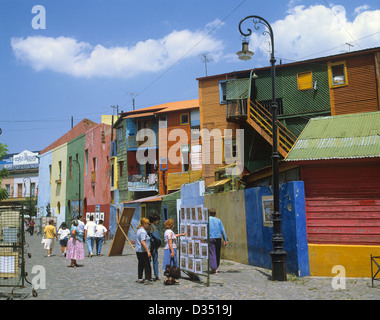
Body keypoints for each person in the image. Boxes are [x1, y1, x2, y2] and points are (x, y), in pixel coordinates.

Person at [162, 218, 185, 285]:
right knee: (172, 264)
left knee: (171, 264)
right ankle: (168, 279)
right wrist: (172, 251)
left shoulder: (167, 231)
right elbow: (170, 242)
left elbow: (173, 236)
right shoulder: (170, 232)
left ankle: (172, 278)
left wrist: (181, 234)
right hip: (170, 249)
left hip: (168, 249)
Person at [208, 208, 228, 274]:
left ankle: (214, 268)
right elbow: (222, 230)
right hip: (218, 238)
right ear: (215, 213)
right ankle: (216, 266)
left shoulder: (207, 220)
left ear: (209, 213)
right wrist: (225, 239)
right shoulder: (218, 220)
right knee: (217, 252)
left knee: (212, 253)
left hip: (210, 238)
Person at [135, 218, 152, 284]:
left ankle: (140, 278)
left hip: (138, 250)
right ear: (144, 224)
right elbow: (143, 241)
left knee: (140, 264)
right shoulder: (143, 232)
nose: (148, 225)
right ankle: (147, 279)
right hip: (143, 251)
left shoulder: (138, 230)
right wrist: (148, 251)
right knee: (147, 264)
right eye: (147, 224)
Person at [148, 214, 161, 281]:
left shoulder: (148, 227)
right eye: (157, 220)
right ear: (154, 221)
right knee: (155, 261)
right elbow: (157, 238)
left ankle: (148, 275)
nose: (158, 222)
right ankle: (156, 275)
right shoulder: (154, 228)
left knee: (148, 261)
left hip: (148, 246)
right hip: (153, 247)